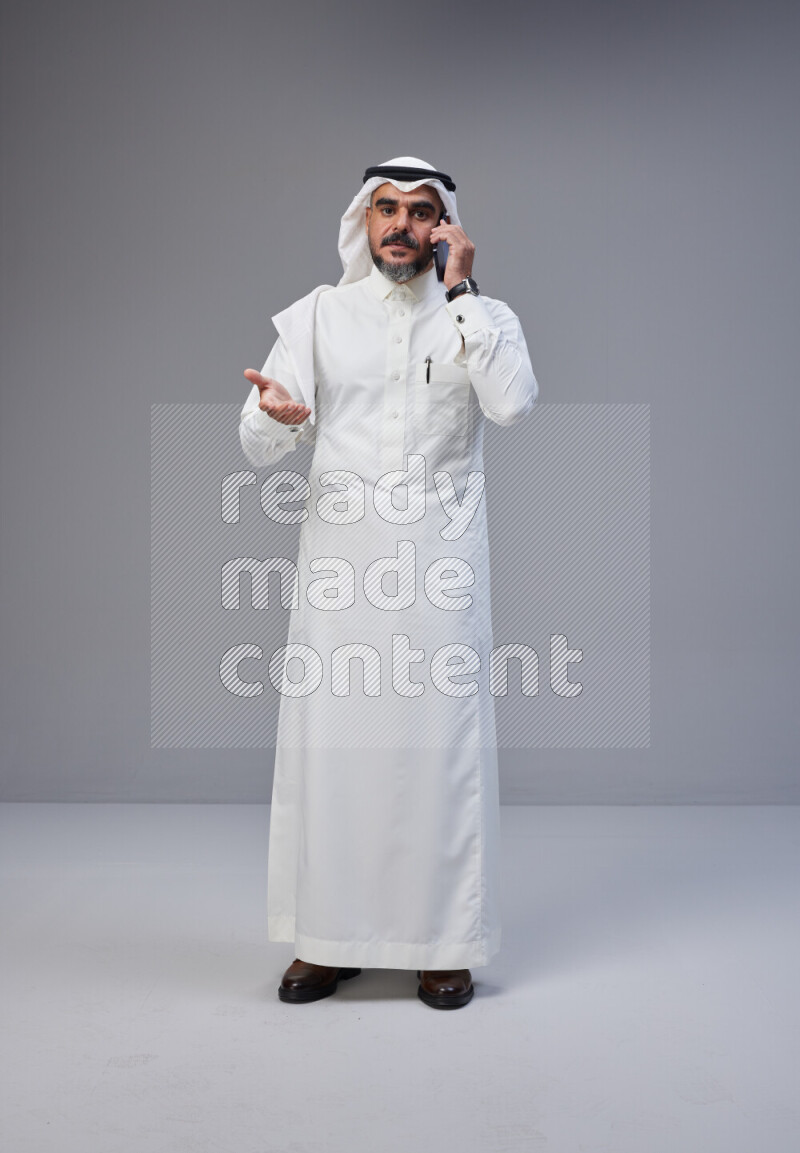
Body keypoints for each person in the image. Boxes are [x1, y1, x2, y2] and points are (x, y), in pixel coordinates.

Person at [239, 156, 538, 1009]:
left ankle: (443, 943)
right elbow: (255, 440)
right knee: (332, 754)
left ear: (446, 229)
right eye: (386, 210)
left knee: (435, 755)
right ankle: (327, 941)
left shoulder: (481, 316)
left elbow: (513, 405)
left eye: (420, 212)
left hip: (441, 574)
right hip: (340, 569)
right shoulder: (318, 317)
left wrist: (466, 294)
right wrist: (277, 416)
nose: (401, 225)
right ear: (362, 224)